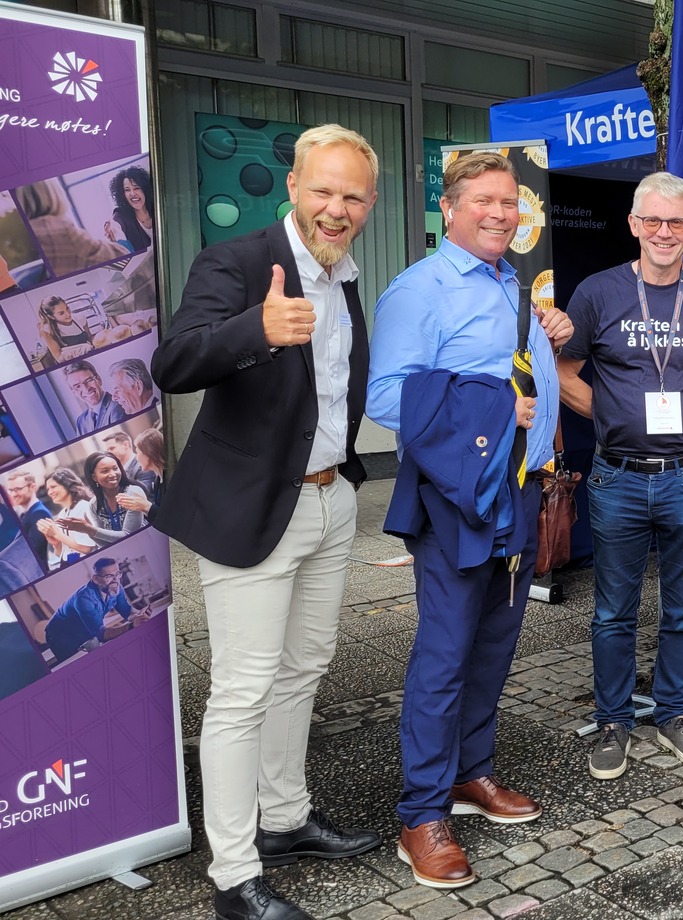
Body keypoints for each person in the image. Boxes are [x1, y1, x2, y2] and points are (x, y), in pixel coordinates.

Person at [150, 124, 381, 920]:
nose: (336, 207)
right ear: (293, 187)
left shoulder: (346, 276)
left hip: (329, 500)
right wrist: (256, 330)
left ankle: (284, 819)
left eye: (352, 195)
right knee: (242, 692)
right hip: (256, 506)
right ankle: (234, 876)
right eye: (323, 189)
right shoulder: (240, 263)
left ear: (370, 204)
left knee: (304, 669)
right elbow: (173, 361)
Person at [366, 151, 573, 890]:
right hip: (456, 500)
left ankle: (469, 775)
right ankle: (420, 812)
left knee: (493, 645)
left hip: (518, 492)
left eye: (510, 203)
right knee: (445, 654)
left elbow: (510, 367)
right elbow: (387, 398)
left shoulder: (509, 282)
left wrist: (550, 341)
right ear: (448, 208)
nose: (500, 213)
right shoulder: (418, 290)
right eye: (483, 201)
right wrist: (492, 408)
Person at [559, 171, 683, 783]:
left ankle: (674, 712)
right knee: (612, 612)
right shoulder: (597, 293)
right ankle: (613, 720)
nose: (664, 232)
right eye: (652, 220)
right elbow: (566, 374)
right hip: (616, 476)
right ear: (633, 224)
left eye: (676, 222)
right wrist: (616, 418)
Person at [42, 556, 148, 662]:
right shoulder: (84, 598)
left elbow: (127, 611)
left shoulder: (116, 587)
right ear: (96, 579)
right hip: (60, 634)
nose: (115, 580)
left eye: (117, 574)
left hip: (83, 627)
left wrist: (139, 615)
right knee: (78, 664)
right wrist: (132, 625)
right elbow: (101, 634)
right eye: (109, 576)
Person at [14, 179, 127, 276]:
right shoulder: (60, 230)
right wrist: (115, 239)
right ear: (51, 193)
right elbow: (122, 257)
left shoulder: (19, 236)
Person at [58, 451, 147, 547]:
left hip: (145, 547)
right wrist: (88, 531)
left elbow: (129, 535)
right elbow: (105, 544)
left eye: (115, 468)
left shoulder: (133, 493)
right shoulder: (94, 504)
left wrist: (90, 529)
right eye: (105, 471)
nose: (113, 474)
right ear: (94, 477)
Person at [37, 295, 131, 365]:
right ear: (51, 316)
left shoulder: (80, 318)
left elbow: (90, 339)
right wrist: (84, 349)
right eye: (61, 313)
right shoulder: (47, 330)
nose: (68, 314)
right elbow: (59, 358)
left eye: (67, 308)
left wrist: (104, 337)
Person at [35, 468, 95, 569]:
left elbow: (86, 548)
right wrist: (57, 544)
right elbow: (61, 553)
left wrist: (56, 534)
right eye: (48, 489)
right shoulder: (62, 514)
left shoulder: (83, 507)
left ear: (67, 484)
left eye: (53, 487)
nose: (50, 492)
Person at [64, 359, 126, 434]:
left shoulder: (119, 407)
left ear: (99, 379)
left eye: (88, 380)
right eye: (77, 386)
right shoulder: (81, 422)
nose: (86, 389)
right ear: (74, 393)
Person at [104, 165, 155, 252]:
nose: (132, 193)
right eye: (127, 190)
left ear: (145, 189)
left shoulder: (156, 206)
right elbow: (126, 251)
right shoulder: (120, 217)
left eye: (136, 188)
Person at [7, 470, 51, 565]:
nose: (13, 494)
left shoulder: (39, 513)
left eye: (17, 489)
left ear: (32, 487)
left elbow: (31, 551)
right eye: (10, 490)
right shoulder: (26, 513)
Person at [102, 430, 159, 500]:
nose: (109, 453)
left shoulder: (144, 465)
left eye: (112, 448)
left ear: (126, 445)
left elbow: (145, 491)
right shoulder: (118, 469)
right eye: (107, 450)